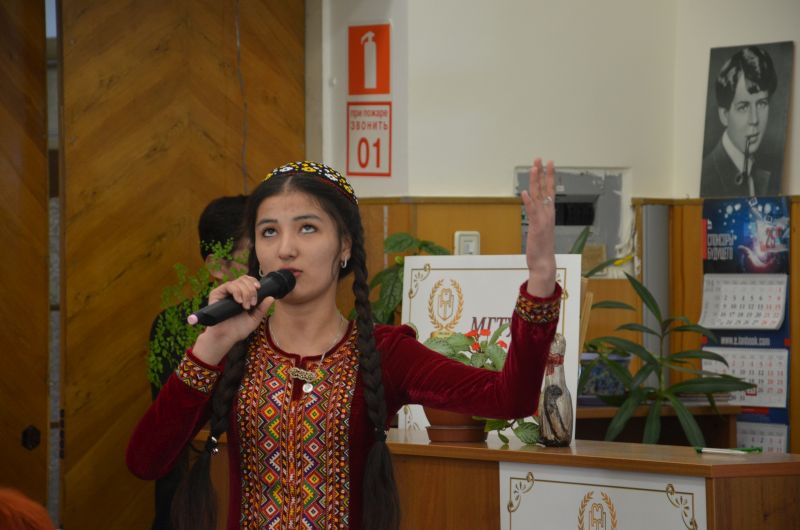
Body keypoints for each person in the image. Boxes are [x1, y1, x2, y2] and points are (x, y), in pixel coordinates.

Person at [127, 159, 561, 530]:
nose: (286, 249)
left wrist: (540, 281)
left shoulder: (384, 352)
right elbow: (145, 461)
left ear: (345, 246)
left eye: (307, 228)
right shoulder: (234, 351)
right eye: (269, 232)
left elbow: (510, 398)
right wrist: (213, 343)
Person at [146, 194, 249, 530]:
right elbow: (175, 428)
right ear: (219, 266)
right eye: (257, 250)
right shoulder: (176, 326)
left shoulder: (287, 321)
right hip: (192, 502)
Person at [700, 45, 779, 197]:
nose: (754, 120)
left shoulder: (765, 172)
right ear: (724, 115)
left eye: (761, 104)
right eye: (743, 107)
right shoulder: (707, 177)